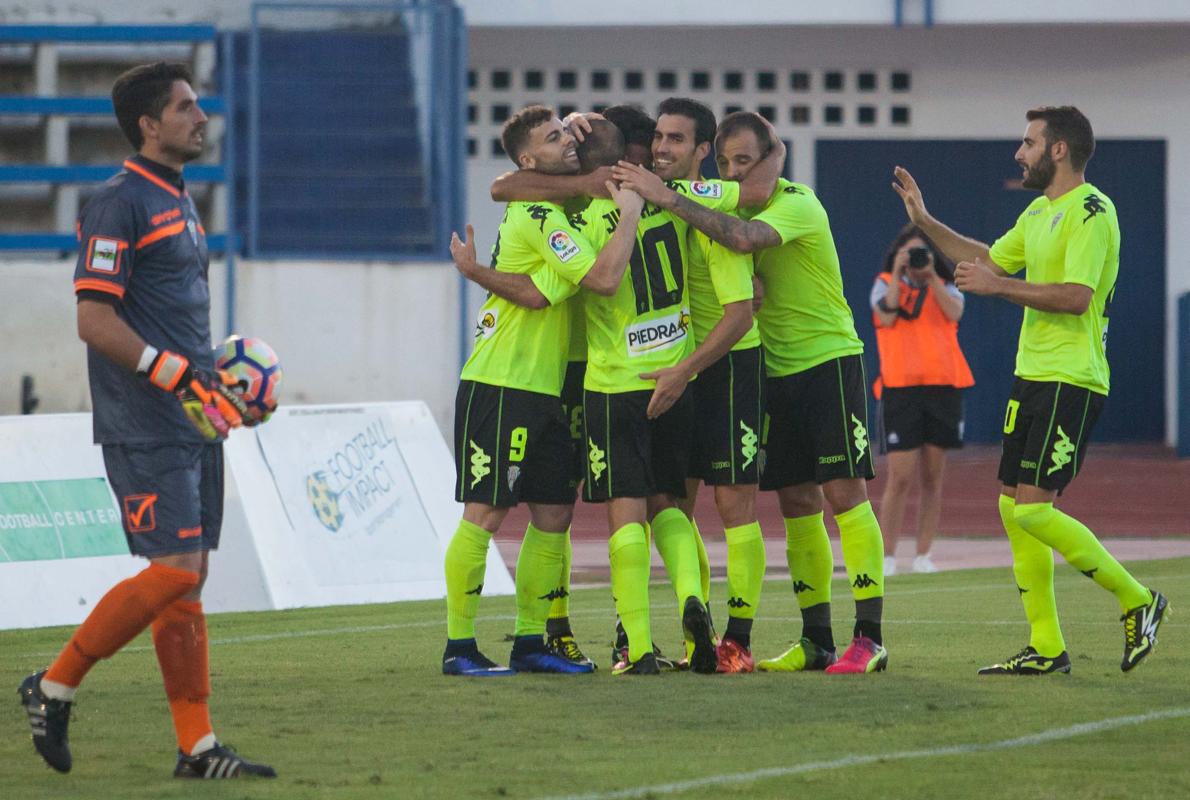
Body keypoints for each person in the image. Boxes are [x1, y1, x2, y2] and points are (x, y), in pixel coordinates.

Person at [18, 62, 275, 779]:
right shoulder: (118, 202)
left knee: (188, 583)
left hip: (192, 418)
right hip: (145, 418)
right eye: (187, 107)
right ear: (149, 125)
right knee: (171, 573)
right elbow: (93, 319)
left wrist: (218, 383)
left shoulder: (179, 197)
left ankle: (197, 747)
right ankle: (56, 682)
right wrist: (174, 373)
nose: (201, 117)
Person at [892, 105, 1168, 674]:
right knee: (1011, 506)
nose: (1019, 153)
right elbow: (984, 257)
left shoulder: (1092, 211)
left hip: (1072, 375)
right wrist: (924, 220)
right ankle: (1045, 647)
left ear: (1059, 149)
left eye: (1028, 143)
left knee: (1035, 512)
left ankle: (1139, 599)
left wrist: (1000, 290)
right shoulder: (1040, 211)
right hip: (1034, 373)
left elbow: (1076, 297)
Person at [615, 111, 891, 675]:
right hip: (775, 370)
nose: (736, 171)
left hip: (827, 359)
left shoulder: (796, 201)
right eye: (728, 161)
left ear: (771, 160)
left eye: (748, 161)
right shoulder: (722, 201)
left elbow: (741, 238)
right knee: (796, 503)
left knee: (845, 494)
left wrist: (668, 198)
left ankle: (870, 638)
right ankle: (818, 637)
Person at [442, 105, 642, 677]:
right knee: (485, 512)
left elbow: (539, 290)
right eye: (554, 138)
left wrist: (479, 273)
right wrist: (628, 215)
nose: (566, 143)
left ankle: (531, 642)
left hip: (550, 386)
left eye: (566, 133)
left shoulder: (565, 215)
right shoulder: (535, 212)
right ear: (532, 159)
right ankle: (459, 645)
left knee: (554, 513)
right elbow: (598, 281)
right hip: (503, 379)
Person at [653, 99, 768, 674]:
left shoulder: (709, 208)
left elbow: (741, 314)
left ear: (703, 151)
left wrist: (684, 370)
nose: (663, 148)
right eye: (659, 137)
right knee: (676, 503)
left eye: (677, 139)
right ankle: (696, 628)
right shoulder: (652, 204)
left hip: (726, 369)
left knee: (734, 505)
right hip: (682, 368)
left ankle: (738, 643)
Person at [870, 225, 974, 576]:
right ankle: (886, 555)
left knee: (933, 476)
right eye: (909, 254)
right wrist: (900, 273)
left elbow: (954, 314)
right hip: (900, 388)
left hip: (942, 387)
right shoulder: (885, 283)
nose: (916, 260)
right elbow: (886, 315)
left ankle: (923, 554)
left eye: (921, 254)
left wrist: (930, 277)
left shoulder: (945, 286)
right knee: (899, 477)